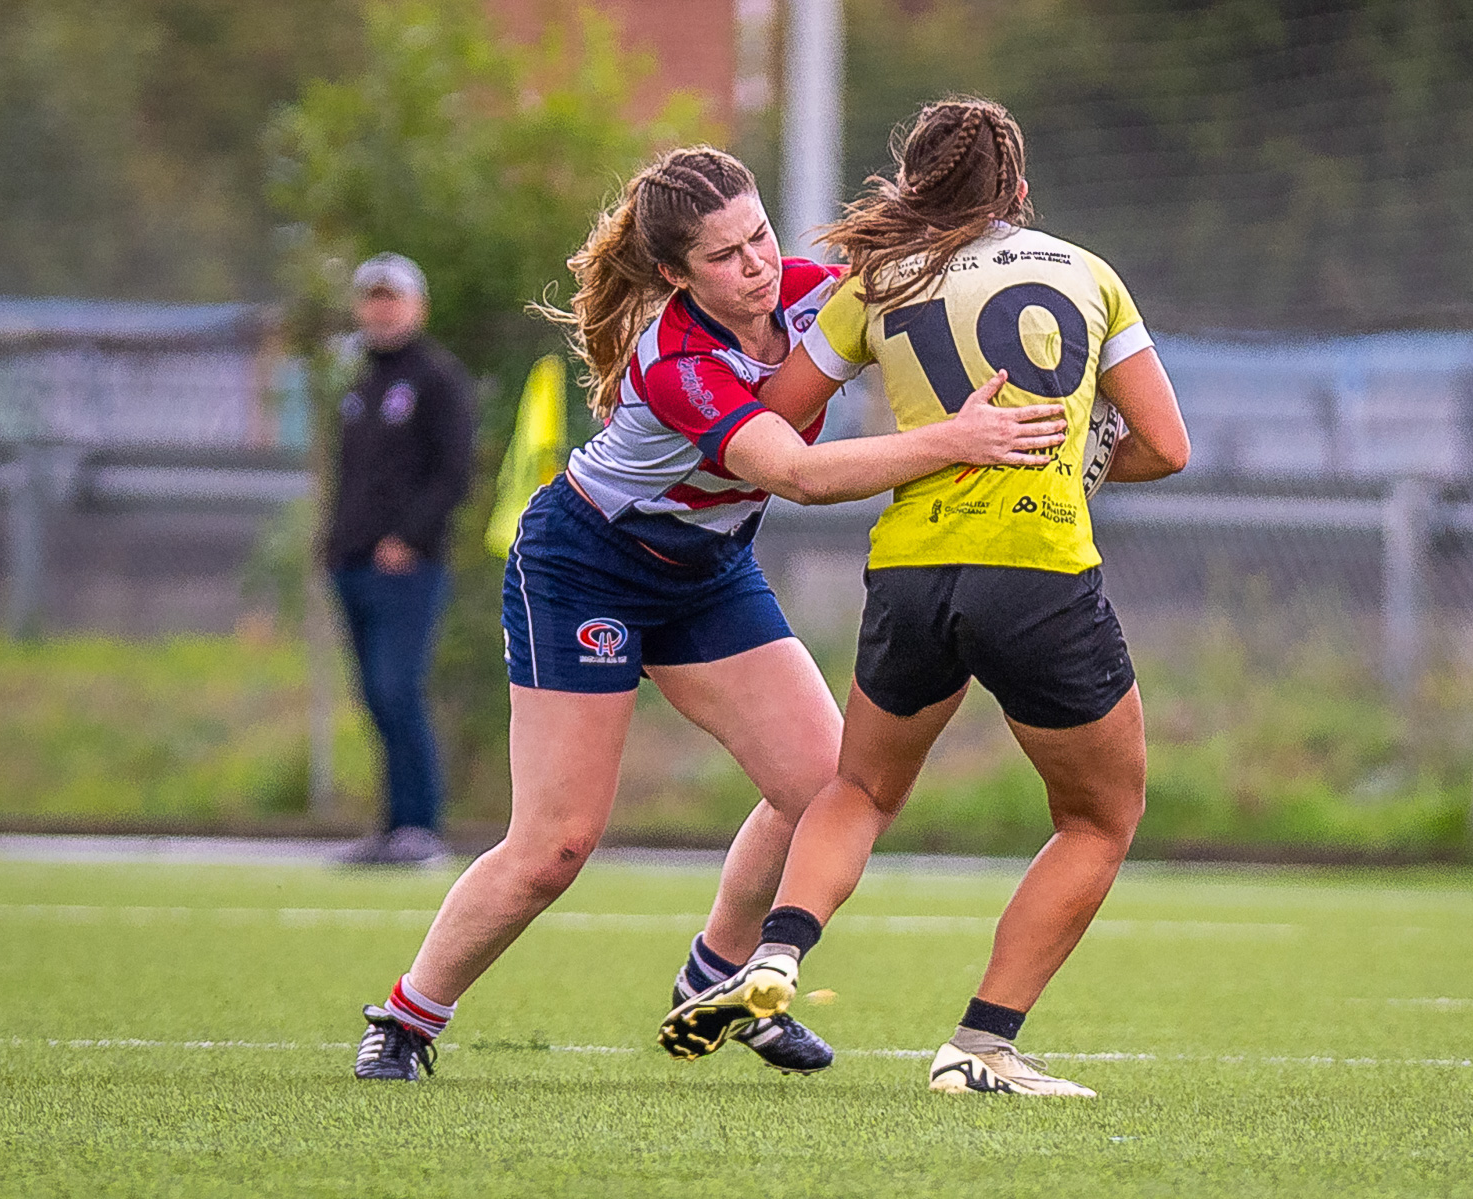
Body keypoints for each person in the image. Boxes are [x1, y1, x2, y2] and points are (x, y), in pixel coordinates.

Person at [353, 146, 1067, 1081]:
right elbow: (799, 476)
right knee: (555, 846)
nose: (759, 265)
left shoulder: (814, 295)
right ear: (673, 274)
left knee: (825, 788)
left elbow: (930, 272)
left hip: (706, 572)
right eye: (726, 256)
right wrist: (955, 441)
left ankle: (717, 979)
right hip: (587, 566)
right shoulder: (679, 359)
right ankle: (406, 1020)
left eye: (761, 236)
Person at [659, 99, 1191, 1097]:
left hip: (910, 570)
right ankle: (981, 1042)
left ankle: (772, 957)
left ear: (913, 188)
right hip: (1035, 567)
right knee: (1099, 816)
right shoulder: (1087, 273)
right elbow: (1168, 444)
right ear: (1019, 194)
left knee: (858, 789)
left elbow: (770, 418)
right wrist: (1072, 457)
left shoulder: (876, 283)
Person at [330, 253, 474, 868]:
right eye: (373, 297)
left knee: (399, 687)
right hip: (352, 562)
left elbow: (453, 473)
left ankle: (421, 827)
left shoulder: (437, 379)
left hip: (407, 567)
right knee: (375, 696)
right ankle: (392, 825)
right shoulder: (361, 381)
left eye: (393, 297)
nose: (382, 308)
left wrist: (408, 538)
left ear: (418, 305)